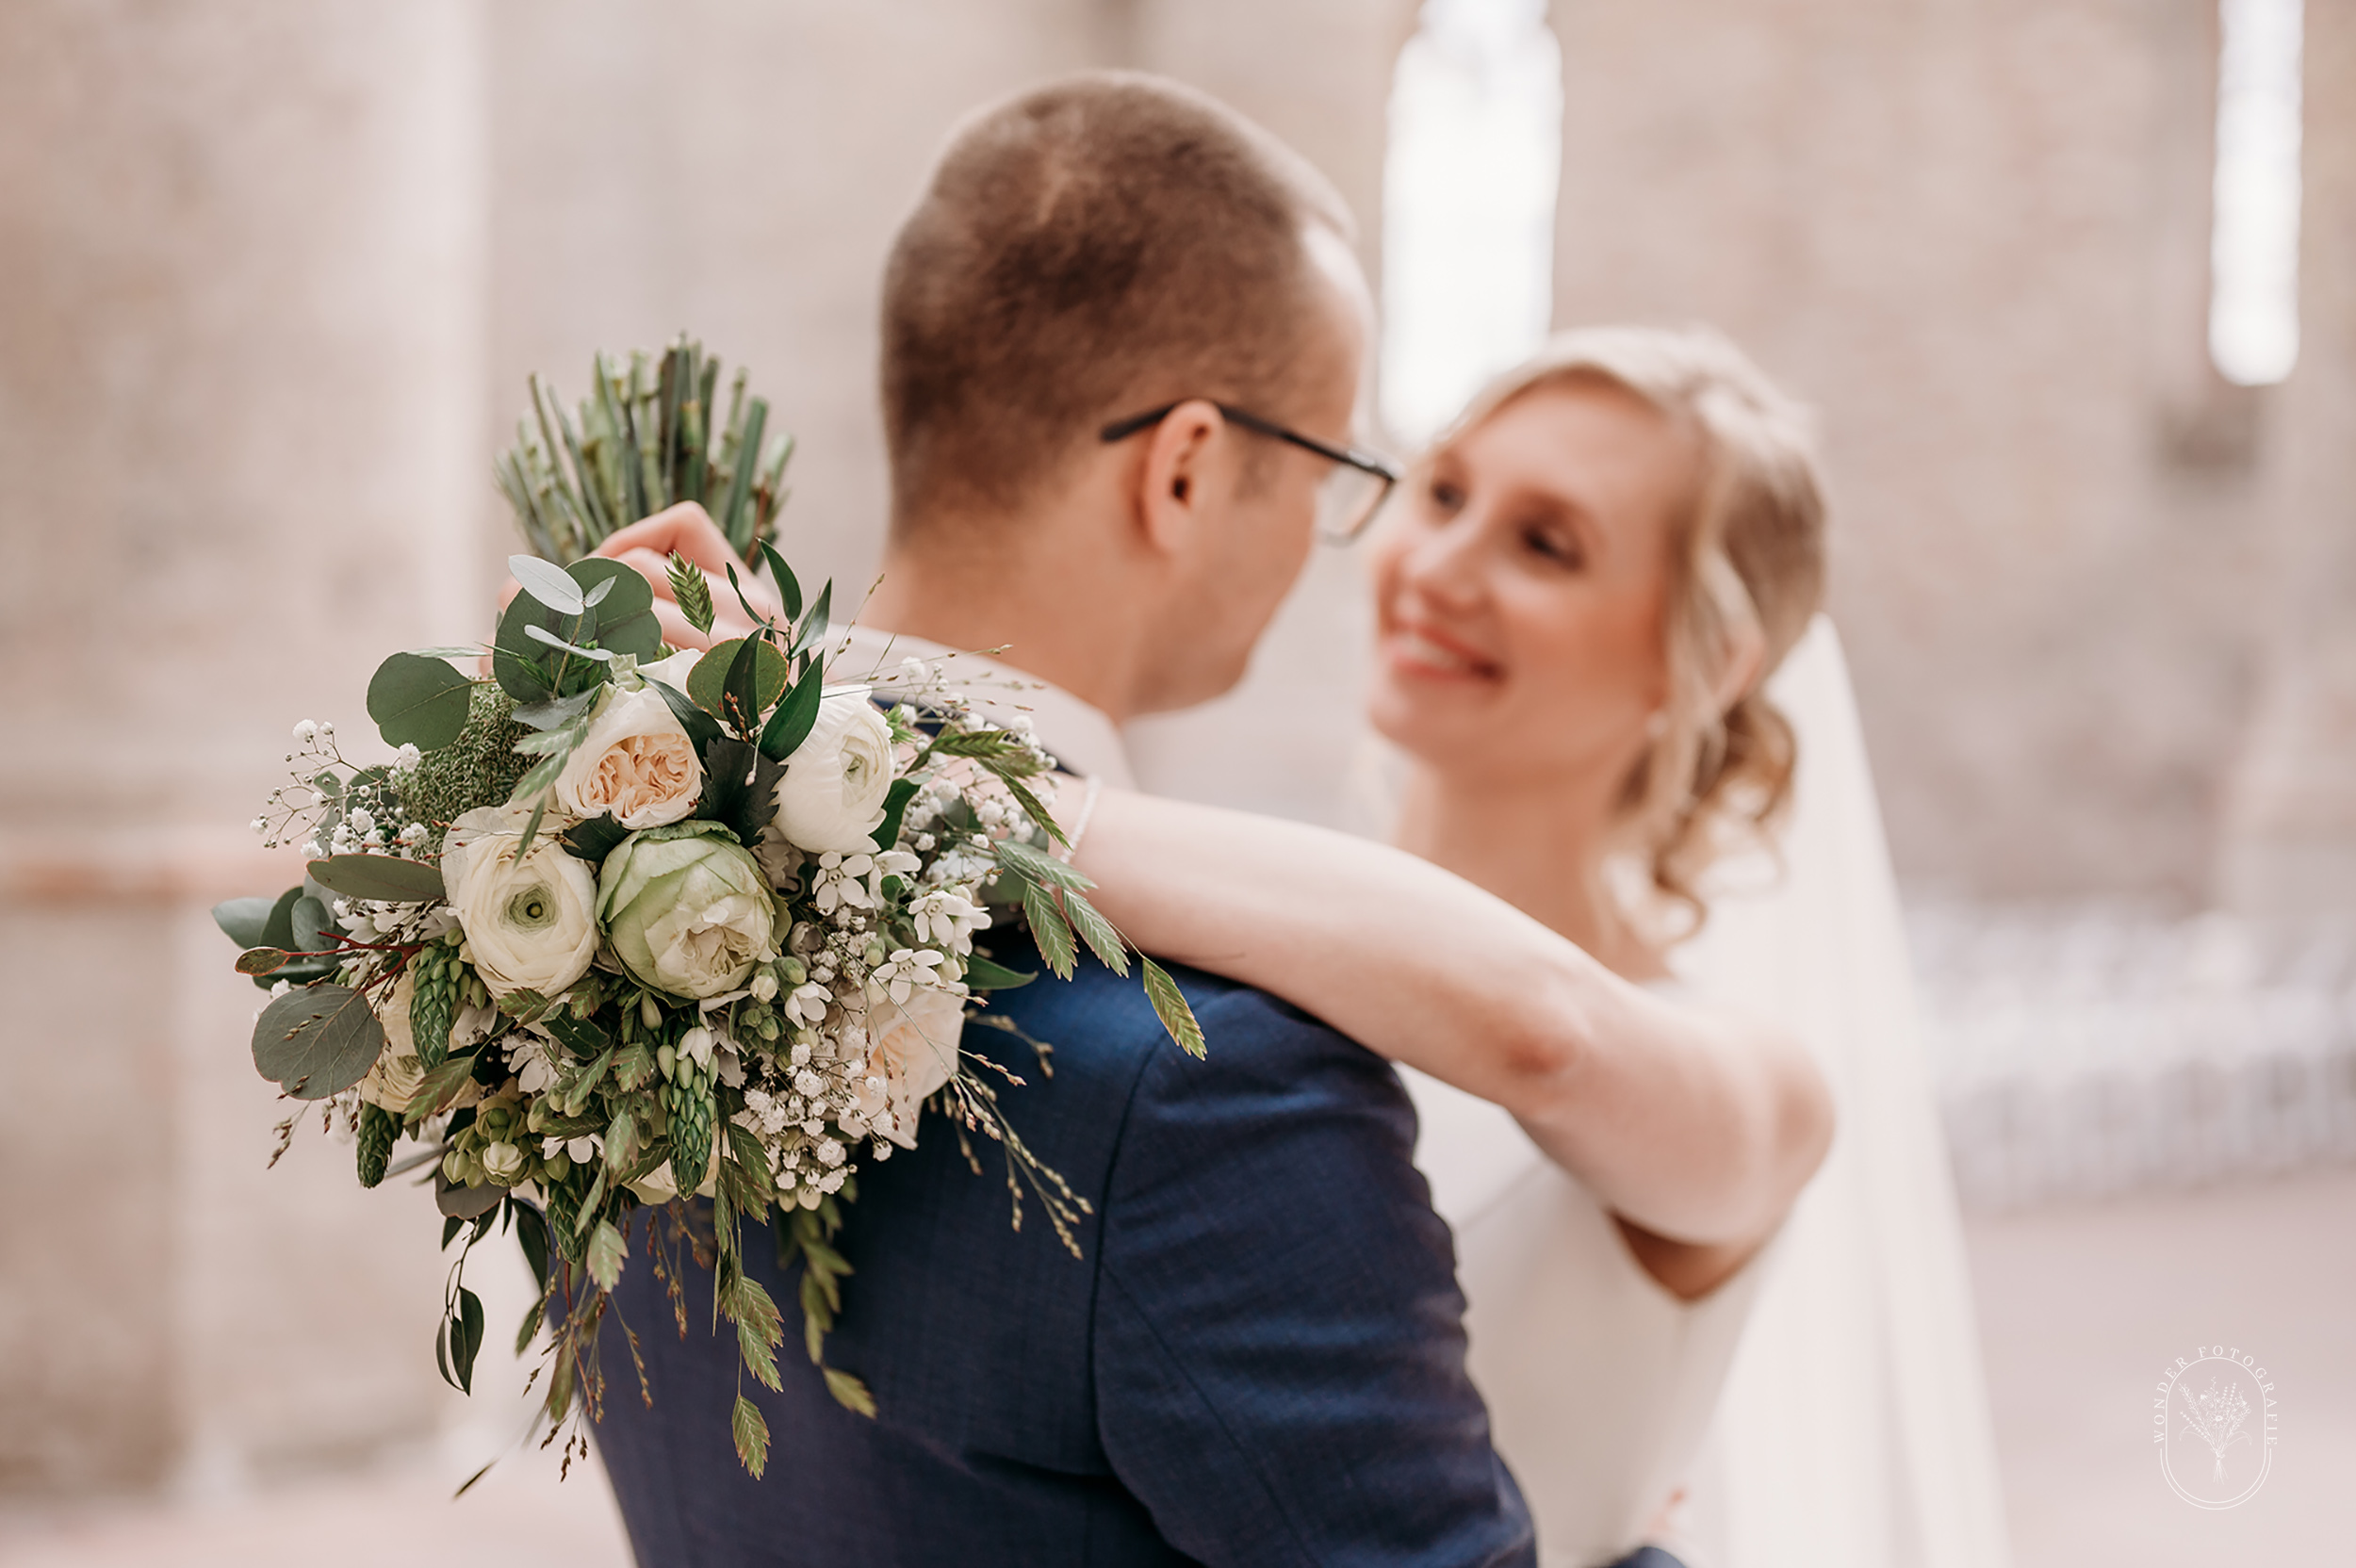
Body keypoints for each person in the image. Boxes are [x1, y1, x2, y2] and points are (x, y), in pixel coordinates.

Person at [584, 73, 1544, 1568]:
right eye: (1337, 473)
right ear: (1187, 470)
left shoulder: (600, 918)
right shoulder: (1211, 1088)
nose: (1330, 536)